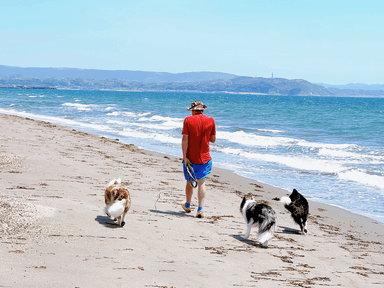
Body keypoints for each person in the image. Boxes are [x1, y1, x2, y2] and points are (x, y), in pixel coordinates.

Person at [181, 101, 216, 218]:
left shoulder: (188, 120)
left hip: (191, 157)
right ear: (202, 110)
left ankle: (187, 204)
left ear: (192, 110)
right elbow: (213, 139)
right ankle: (200, 209)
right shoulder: (211, 120)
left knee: (190, 181)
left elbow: (185, 140)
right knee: (201, 182)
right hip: (205, 157)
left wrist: (185, 157)